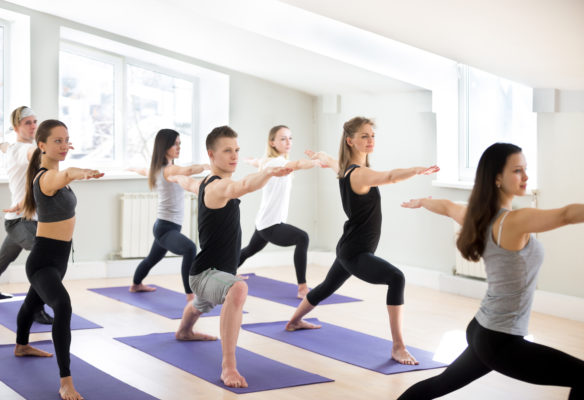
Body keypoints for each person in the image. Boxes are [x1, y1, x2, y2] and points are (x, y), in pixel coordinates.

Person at [397, 142, 584, 399]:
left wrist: (422, 202)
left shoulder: (478, 216)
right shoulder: (514, 221)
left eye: (525, 169)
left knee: (438, 386)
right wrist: (425, 202)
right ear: (497, 177)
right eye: (517, 170)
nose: (526, 176)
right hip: (500, 340)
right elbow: (565, 215)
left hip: (483, 330)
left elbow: (448, 206)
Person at [285, 116, 439, 365]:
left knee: (326, 287)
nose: (370, 140)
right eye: (364, 136)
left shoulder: (346, 169)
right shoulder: (360, 174)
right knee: (396, 278)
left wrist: (322, 157)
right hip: (355, 252)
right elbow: (390, 176)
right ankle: (398, 347)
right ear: (350, 141)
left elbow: (331, 161)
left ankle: (293, 322)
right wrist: (416, 170)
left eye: (372, 135)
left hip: (349, 246)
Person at [172, 126, 292, 388]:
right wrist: (268, 172)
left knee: (202, 304)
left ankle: (184, 330)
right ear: (212, 154)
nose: (234, 155)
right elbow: (244, 185)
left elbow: (189, 183)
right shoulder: (219, 186)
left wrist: (176, 176)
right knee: (238, 289)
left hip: (210, 273)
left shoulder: (204, 183)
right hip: (205, 274)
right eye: (228, 151)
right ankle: (228, 366)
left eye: (236, 150)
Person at [14, 119, 103, 400]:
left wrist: (75, 171)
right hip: (42, 261)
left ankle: (21, 345)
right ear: (42, 145)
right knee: (62, 305)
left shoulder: (53, 173)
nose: (64, 145)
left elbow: (64, 174)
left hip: (58, 260)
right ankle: (66, 381)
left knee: (32, 302)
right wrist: (82, 172)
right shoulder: (47, 177)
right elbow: (65, 176)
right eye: (57, 141)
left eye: (66, 140)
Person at [0, 107, 53, 322]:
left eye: (35, 121)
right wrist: (54, 148)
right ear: (16, 127)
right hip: (20, 221)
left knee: (4, 257)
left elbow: (16, 149)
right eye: (27, 123)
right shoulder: (23, 150)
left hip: (30, 219)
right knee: (42, 260)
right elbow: (33, 154)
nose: (33, 126)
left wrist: (4, 145)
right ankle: (35, 308)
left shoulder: (15, 147)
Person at [129, 129, 209, 301]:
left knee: (152, 259)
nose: (179, 147)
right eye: (175, 144)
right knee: (190, 248)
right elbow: (188, 170)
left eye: (180, 143)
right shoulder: (168, 170)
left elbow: (142, 170)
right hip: (166, 228)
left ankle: (136, 284)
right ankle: (190, 295)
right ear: (164, 146)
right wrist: (206, 166)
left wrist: (132, 168)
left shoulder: (156, 168)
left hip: (163, 226)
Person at [238, 125, 318, 298]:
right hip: (270, 223)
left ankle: (224, 272)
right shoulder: (278, 163)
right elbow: (297, 164)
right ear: (272, 142)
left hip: (263, 220)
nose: (288, 142)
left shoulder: (268, 161)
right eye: (283, 138)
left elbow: (259, 162)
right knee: (302, 237)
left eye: (290, 138)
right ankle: (302, 288)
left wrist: (251, 161)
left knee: (250, 250)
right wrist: (317, 162)